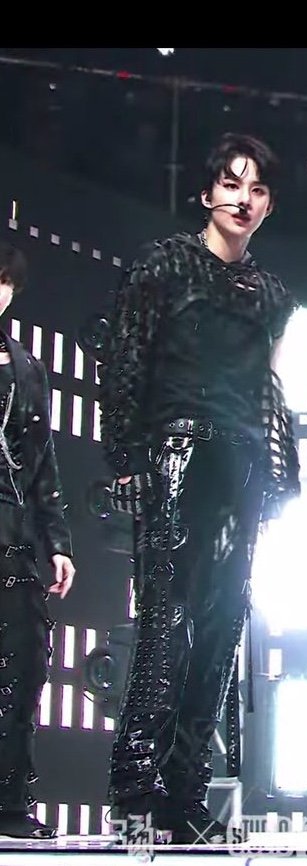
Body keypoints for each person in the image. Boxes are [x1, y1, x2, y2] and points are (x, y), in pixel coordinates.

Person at [95, 132, 300, 844]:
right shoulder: (162, 266)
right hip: (174, 454)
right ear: (207, 191)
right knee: (167, 623)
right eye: (232, 184)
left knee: (222, 626)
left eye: (257, 189)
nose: (243, 200)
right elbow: (125, 357)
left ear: (268, 205)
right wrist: (126, 458)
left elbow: (268, 392)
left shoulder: (271, 294)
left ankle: (185, 792)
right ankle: (136, 788)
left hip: (241, 465)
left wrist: (282, 474)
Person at [0, 241, 75, 839]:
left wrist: (58, 543)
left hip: (15, 536)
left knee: (24, 672)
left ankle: (10, 800)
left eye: (4, 281)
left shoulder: (26, 368)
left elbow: (42, 463)